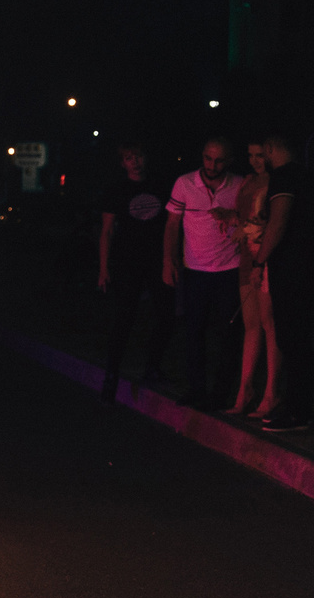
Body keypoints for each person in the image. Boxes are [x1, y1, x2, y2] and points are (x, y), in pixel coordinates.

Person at [163, 138, 245, 408]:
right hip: (195, 269)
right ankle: (197, 389)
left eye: (219, 160)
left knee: (229, 334)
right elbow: (173, 224)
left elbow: (252, 219)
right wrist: (169, 260)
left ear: (229, 161)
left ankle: (221, 394)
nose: (212, 165)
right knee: (194, 332)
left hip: (229, 269)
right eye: (208, 159)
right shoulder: (185, 183)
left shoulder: (239, 185)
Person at [249, 129, 314, 433]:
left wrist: (259, 260)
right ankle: (297, 406)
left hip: (290, 268)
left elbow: (278, 222)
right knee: (298, 338)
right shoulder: (307, 175)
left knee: (291, 337)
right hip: (307, 264)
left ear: (269, 148)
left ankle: (297, 411)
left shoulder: (284, 176)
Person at [95, 143, 170, 403]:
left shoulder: (160, 185)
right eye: (129, 158)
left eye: (138, 155)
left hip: (157, 261)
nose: (135, 161)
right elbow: (107, 230)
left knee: (164, 314)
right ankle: (111, 375)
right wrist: (103, 268)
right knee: (124, 318)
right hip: (127, 261)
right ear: (123, 163)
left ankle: (153, 366)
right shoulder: (117, 190)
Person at [227, 140, 277, 418]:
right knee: (251, 324)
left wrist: (245, 227)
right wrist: (231, 218)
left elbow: (270, 222)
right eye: (251, 155)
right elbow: (246, 215)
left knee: (269, 323)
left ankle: (271, 392)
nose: (256, 160)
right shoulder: (248, 181)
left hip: (264, 256)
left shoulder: (274, 183)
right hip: (247, 256)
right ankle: (246, 389)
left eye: (261, 155)